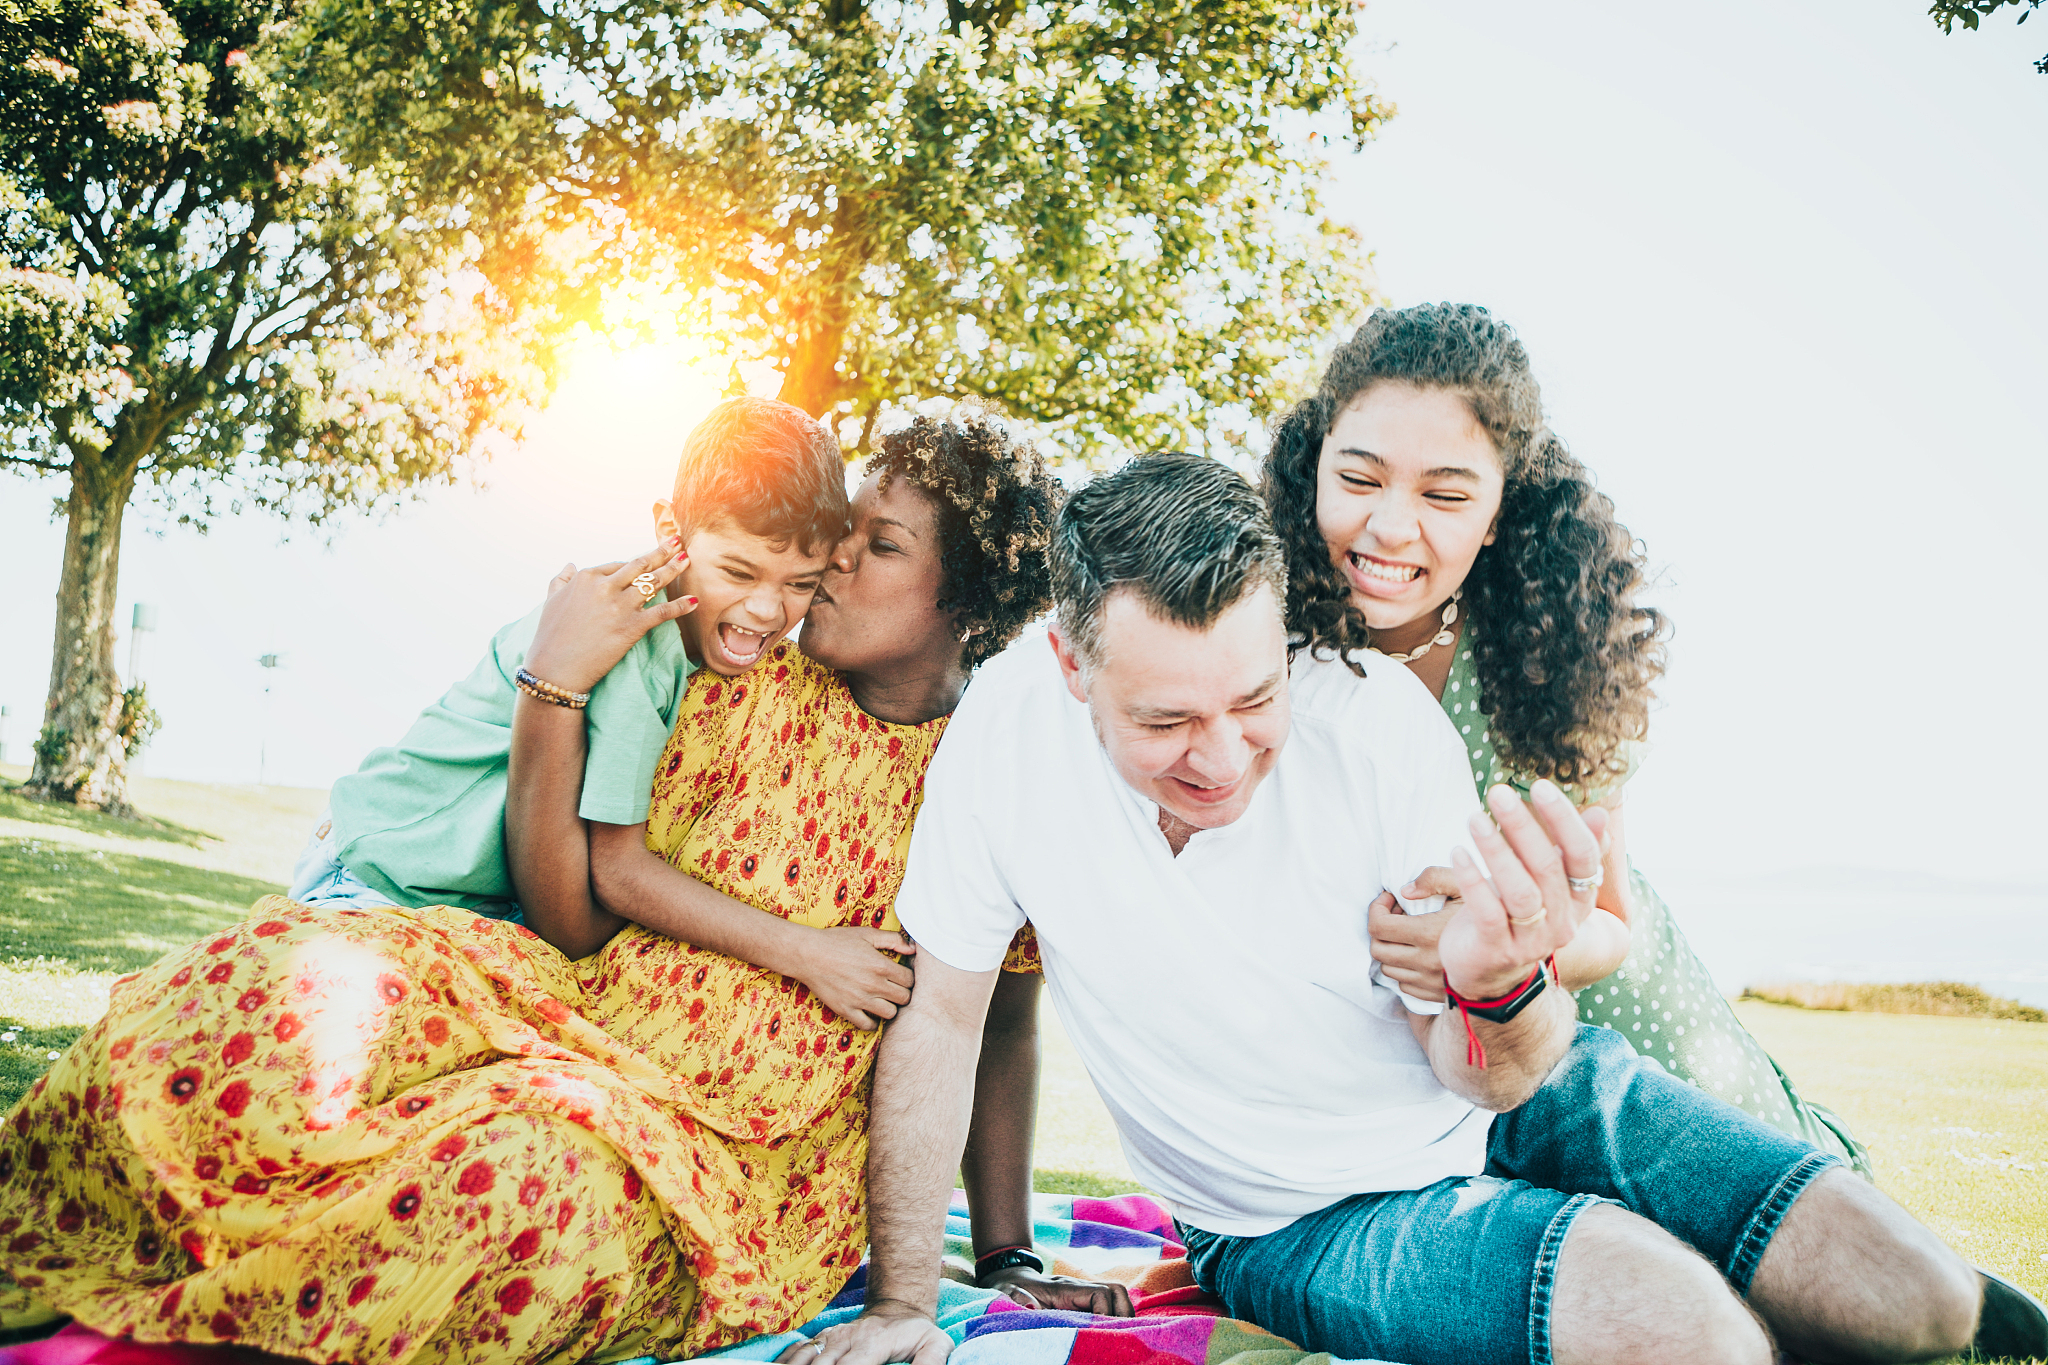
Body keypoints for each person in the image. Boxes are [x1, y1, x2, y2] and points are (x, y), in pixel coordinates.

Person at [815, 453, 1984, 1365]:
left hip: (1505, 1092)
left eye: (1253, 699)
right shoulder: (1003, 739)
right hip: (1294, 1218)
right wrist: (904, 1303)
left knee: (1921, 1302)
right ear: (1073, 667)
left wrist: (1499, 982)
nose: (1219, 757)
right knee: (1696, 1339)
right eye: (1166, 722)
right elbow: (945, 1020)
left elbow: (1490, 1075)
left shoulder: (1373, 724)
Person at [0, 410, 1117, 1362]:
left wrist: (1005, 1253)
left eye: (875, 546)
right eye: (841, 534)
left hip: (735, 1156)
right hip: (561, 1013)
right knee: (266, 996)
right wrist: (557, 675)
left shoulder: (990, 778)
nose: (825, 564)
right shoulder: (731, 663)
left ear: (967, 596)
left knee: (508, 1191)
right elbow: (586, 880)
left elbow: (1000, 1025)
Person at [1258, 303, 1872, 1173]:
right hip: (1423, 1101)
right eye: (1359, 478)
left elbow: (1612, 921)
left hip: (1627, 1040)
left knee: (1781, 1220)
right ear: (1313, 467)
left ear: (1498, 512)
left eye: (1445, 495)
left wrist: (1497, 956)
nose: (1392, 526)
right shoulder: (1254, 649)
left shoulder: (1547, 656)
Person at [287, 395, 841, 922]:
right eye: (738, 572)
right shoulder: (631, 643)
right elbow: (610, 881)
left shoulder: (683, 648)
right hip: (382, 870)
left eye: (801, 583)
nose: (768, 609)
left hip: (448, 890)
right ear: (672, 533)